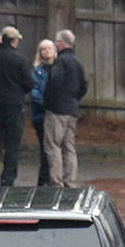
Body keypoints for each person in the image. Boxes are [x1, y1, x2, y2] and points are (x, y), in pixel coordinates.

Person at [0, 26, 35, 187]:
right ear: (15, 41)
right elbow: (29, 84)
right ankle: (8, 178)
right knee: (12, 145)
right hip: (13, 108)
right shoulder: (20, 59)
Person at [42, 28, 88, 187]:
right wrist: (74, 99)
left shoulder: (61, 61)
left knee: (53, 145)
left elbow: (54, 81)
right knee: (69, 146)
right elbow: (84, 86)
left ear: (60, 43)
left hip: (57, 110)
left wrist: (48, 100)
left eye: (56, 42)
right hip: (72, 109)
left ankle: (56, 181)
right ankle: (70, 180)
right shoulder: (77, 61)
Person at [30, 39, 57, 185]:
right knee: (45, 149)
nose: (46, 51)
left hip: (57, 114)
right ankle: (43, 180)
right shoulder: (36, 71)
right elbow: (35, 93)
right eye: (43, 49)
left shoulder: (59, 69)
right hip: (41, 115)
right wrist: (49, 105)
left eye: (49, 48)